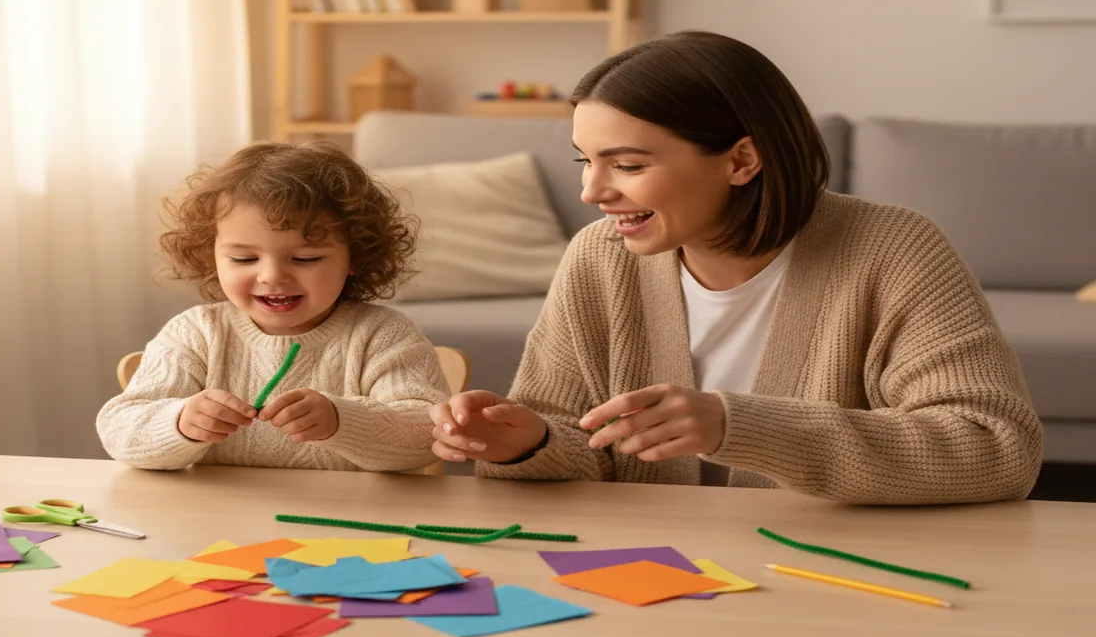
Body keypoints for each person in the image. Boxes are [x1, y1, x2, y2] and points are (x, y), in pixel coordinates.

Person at [429, 31, 1042, 504]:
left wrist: (739, 425)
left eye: (629, 165)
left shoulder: (894, 249)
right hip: (652, 581)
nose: (593, 191)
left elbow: (996, 447)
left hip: (838, 583)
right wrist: (527, 442)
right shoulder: (598, 258)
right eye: (584, 161)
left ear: (742, 159)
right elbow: (577, 446)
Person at [97, 141, 449, 471]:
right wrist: (181, 422)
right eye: (243, 257)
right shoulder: (196, 333)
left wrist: (342, 420)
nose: (272, 276)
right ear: (212, 254)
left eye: (305, 258)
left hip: (347, 526)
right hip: (218, 525)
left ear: (354, 256)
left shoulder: (382, 335)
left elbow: (427, 432)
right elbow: (120, 430)